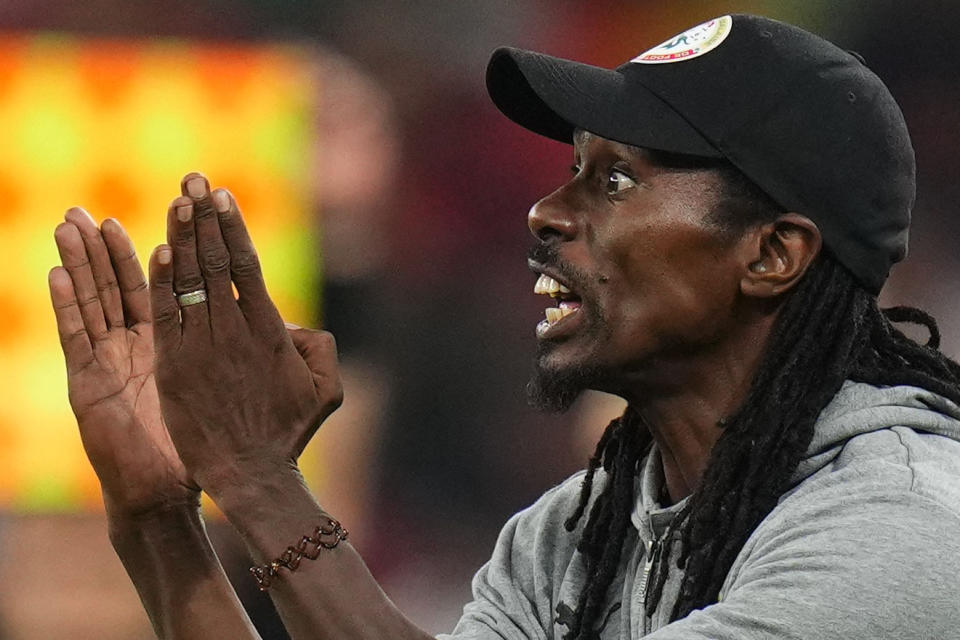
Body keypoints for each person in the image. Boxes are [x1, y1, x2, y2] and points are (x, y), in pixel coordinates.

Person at [49, 14, 960, 640]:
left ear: (772, 254)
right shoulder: (577, 532)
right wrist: (156, 515)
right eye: (573, 168)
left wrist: (257, 480)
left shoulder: (899, 532)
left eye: (613, 182)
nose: (545, 213)